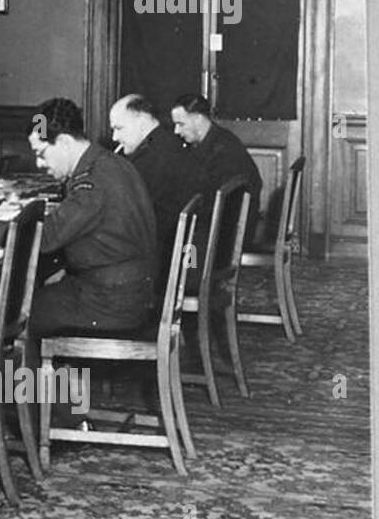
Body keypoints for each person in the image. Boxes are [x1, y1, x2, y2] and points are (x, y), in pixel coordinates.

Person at [26, 97, 158, 339]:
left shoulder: (93, 180)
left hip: (112, 302)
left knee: (20, 313)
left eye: (42, 153)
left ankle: (33, 376)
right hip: (130, 292)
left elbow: (45, 238)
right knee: (40, 296)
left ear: (64, 141)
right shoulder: (109, 162)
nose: (39, 163)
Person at [109, 93, 208, 278]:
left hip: (171, 262)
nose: (115, 137)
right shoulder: (165, 144)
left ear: (142, 121)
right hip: (181, 249)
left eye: (119, 128)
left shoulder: (153, 158)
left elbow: (125, 214)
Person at [170, 93, 263, 245]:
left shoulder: (224, 151)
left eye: (181, 124)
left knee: (176, 238)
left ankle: (189, 268)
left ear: (198, 119)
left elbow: (209, 202)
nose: (176, 131)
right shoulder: (216, 140)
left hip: (228, 237)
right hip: (224, 227)